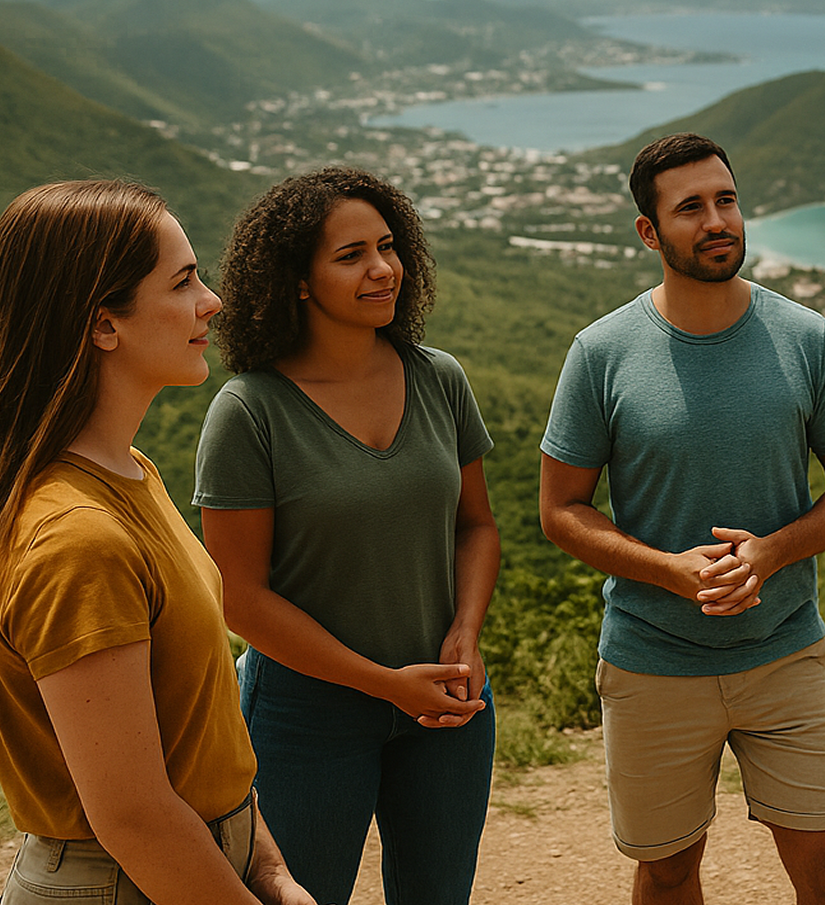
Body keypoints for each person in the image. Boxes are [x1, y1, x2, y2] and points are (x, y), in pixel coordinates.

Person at [539, 132, 825, 905]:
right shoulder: (602, 352)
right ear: (649, 233)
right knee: (667, 872)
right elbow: (560, 510)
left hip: (786, 650)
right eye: (690, 207)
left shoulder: (806, 337)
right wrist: (671, 570)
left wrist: (771, 554)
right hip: (652, 661)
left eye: (725, 200)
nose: (716, 219)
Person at [0, 180, 315, 905]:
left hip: (191, 864)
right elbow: (133, 815)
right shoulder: (79, 540)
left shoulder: (130, 472)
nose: (213, 301)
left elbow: (195, 739)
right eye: (183, 283)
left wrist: (266, 866)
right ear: (103, 324)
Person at [193, 167, 499, 905]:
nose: (383, 268)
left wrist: (465, 631)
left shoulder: (439, 379)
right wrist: (383, 684)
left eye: (389, 246)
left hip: (449, 703)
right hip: (306, 715)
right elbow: (243, 599)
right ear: (298, 279)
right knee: (299, 895)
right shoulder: (250, 413)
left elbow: (477, 526)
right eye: (351, 254)